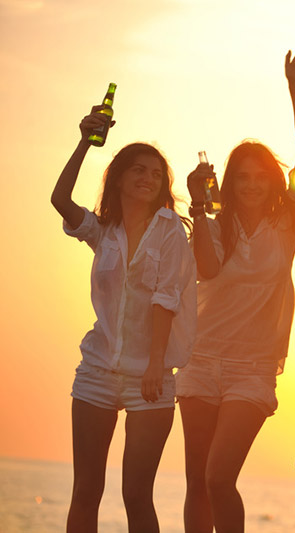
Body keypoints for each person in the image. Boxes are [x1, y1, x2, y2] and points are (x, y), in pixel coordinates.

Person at [175, 40, 295, 533]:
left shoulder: (288, 225)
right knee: (197, 481)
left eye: (261, 177)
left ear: (274, 181)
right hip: (200, 358)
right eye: (242, 178)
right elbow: (209, 272)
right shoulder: (213, 224)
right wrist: (198, 203)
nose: (252, 185)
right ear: (229, 183)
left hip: (252, 370)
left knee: (219, 477)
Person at [52, 110, 196, 533]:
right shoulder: (103, 231)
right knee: (86, 490)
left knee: (136, 494)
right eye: (138, 169)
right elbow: (60, 200)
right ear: (117, 178)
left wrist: (155, 364)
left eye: (156, 173)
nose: (148, 177)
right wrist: (84, 142)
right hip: (96, 369)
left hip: (149, 375)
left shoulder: (171, 230)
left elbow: (165, 299)